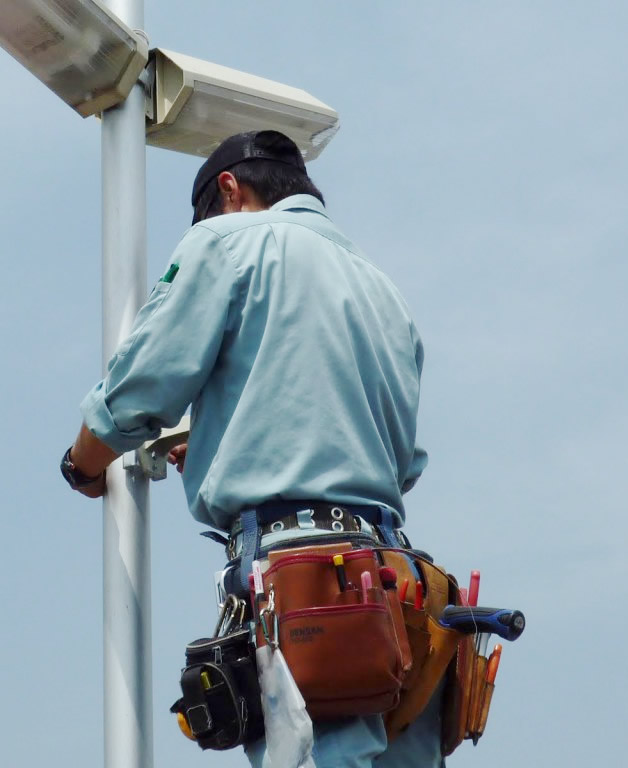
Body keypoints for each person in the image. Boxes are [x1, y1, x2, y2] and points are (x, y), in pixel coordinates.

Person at [60, 130, 443, 767]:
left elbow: (141, 388)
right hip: (393, 586)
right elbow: (399, 463)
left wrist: (83, 464)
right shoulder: (384, 291)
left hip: (308, 586)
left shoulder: (225, 241)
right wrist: (218, 442)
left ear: (231, 191)